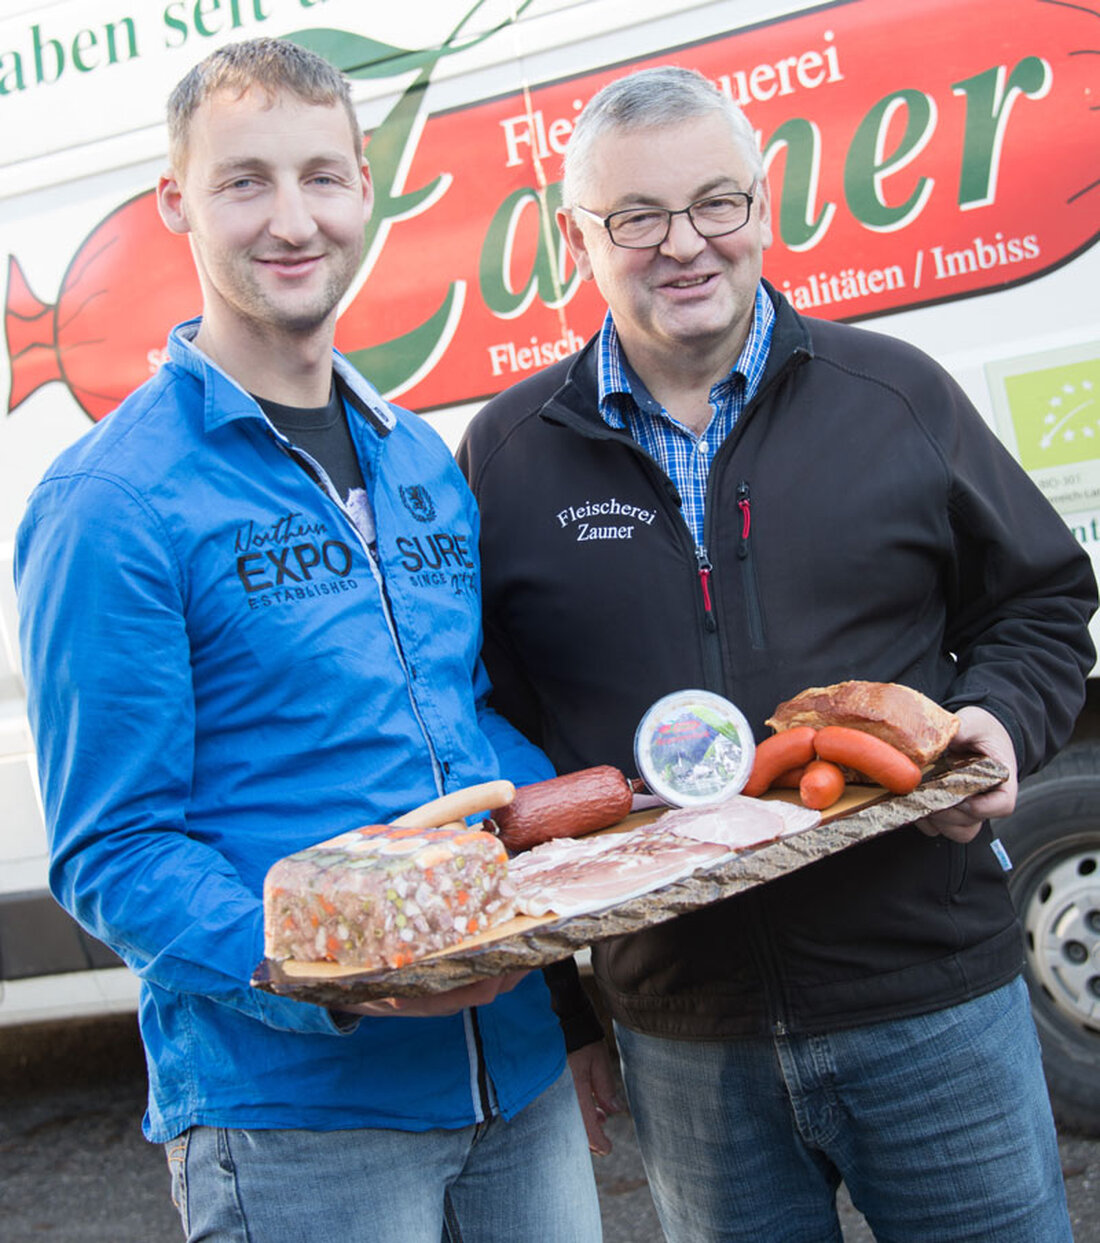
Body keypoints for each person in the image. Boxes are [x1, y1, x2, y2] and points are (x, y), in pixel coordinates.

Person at [458, 65, 1096, 1243]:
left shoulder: (893, 394)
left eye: (716, 203)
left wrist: (1000, 718)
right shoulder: (506, 458)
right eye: (635, 217)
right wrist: (571, 1014)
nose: (683, 245)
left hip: (930, 1000)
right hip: (682, 1033)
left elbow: (1043, 603)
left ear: (765, 204)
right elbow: (489, 750)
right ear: (574, 240)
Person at [14, 38, 602, 1243]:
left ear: (365, 191)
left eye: (323, 177)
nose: (294, 220)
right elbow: (113, 848)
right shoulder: (111, 502)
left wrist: (604, 839)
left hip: (517, 1081)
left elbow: (467, 722)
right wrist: (333, 978)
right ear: (174, 200)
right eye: (246, 182)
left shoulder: (418, 460)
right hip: (296, 1118)